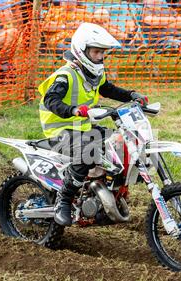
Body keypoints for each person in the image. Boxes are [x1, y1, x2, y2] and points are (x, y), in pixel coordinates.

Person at [38, 22, 148, 226]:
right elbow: (50, 100)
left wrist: (132, 95)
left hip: (83, 127)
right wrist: (73, 110)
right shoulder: (66, 74)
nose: (100, 57)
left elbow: (108, 89)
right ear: (82, 50)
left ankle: (105, 192)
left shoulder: (95, 73)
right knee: (88, 150)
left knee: (119, 143)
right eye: (96, 52)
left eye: (102, 53)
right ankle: (64, 198)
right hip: (60, 130)